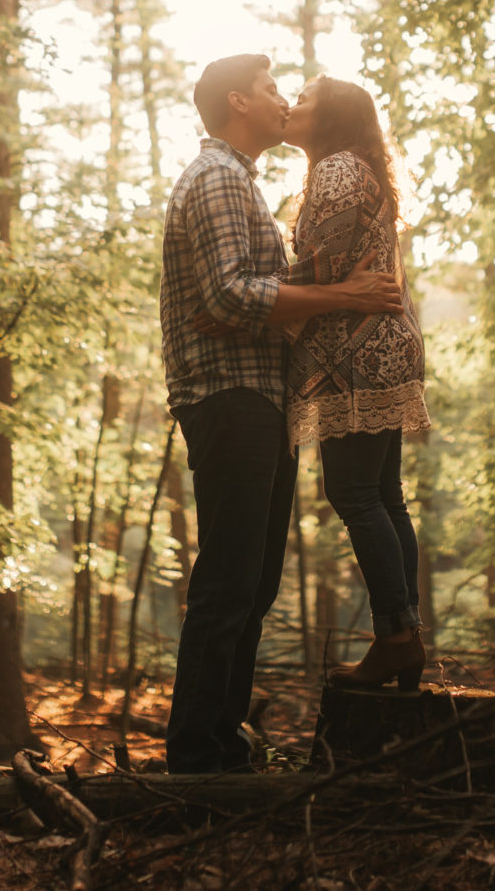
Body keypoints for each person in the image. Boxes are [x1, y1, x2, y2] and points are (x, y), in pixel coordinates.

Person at [159, 55, 403, 775]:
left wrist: (344, 280)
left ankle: (222, 741)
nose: (281, 99)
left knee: (255, 578)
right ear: (239, 101)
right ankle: (196, 754)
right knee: (231, 578)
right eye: (271, 90)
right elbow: (231, 298)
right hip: (227, 395)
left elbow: (260, 284)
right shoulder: (216, 180)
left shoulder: (238, 182)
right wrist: (346, 298)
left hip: (260, 395)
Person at [278, 76, 432, 691]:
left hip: (360, 351)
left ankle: (396, 638)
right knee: (382, 495)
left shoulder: (339, 169)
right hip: (375, 343)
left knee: (356, 494)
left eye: (305, 98)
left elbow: (324, 268)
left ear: (331, 116)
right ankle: (405, 636)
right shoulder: (344, 167)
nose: (292, 104)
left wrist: (251, 280)